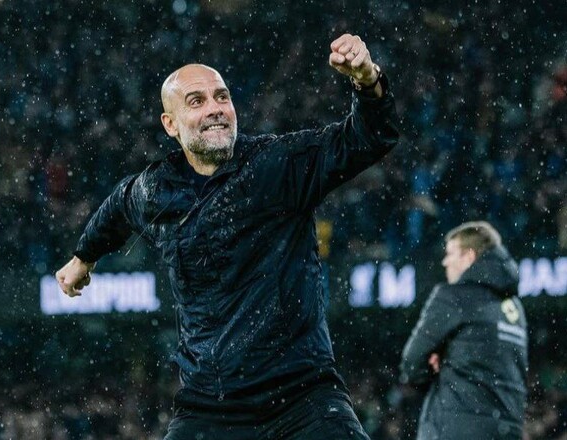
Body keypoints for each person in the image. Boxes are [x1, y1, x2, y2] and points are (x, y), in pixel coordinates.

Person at [56, 33, 399, 439]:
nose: (215, 109)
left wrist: (367, 81)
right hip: (209, 408)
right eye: (196, 101)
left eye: (222, 97)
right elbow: (117, 207)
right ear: (170, 124)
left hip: (302, 399)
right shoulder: (155, 190)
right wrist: (83, 258)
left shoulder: (276, 165)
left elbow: (367, 138)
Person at [399, 221, 528, 440]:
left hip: (457, 429)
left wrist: (434, 369)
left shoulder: (453, 297)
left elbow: (411, 363)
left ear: (469, 256)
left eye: (450, 253)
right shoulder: (515, 309)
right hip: (507, 430)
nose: (445, 261)